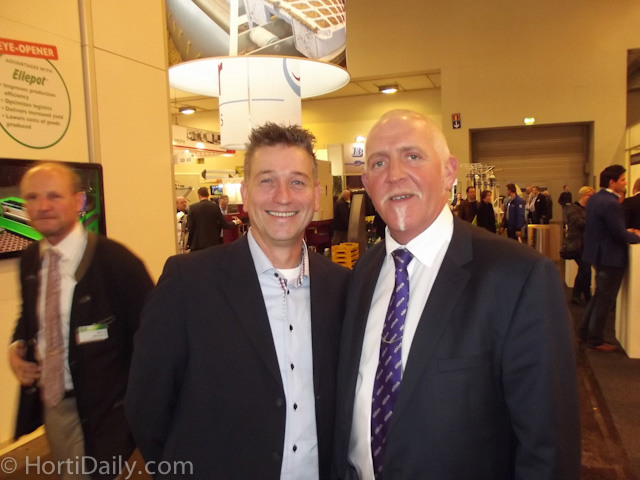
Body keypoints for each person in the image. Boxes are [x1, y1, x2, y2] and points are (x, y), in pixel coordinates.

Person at [333, 110, 580, 480]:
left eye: (412, 156)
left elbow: (549, 447)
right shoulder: (362, 274)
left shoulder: (518, 276)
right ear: (367, 184)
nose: (394, 174)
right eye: (379, 163)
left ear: (449, 172)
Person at [126, 123, 350, 480]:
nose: (282, 197)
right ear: (245, 194)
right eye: (266, 180)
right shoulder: (188, 283)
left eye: (297, 182)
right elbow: (146, 405)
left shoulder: (342, 287)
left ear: (316, 194)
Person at [8, 162, 154, 480]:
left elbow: (153, 336)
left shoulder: (116, 262)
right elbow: (29, 316)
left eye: (54, 196)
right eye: (32, 197)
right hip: (55, 402)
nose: (42, 206)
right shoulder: (31, 259)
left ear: (78, 201)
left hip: (106, 408)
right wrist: (16, 345)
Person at [579, 165, 640, 352]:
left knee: (599, 296)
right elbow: (618, 233)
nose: (626, 183)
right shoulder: (611, 203)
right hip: (610, 256)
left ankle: (585, 332)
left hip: (598, 254)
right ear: (612, 182)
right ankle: (595, 339)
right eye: (622, 179)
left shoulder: (595, 198)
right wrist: (636, 237)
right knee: (605, 299)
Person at [565, 186, 594, 306]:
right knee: (585, 269)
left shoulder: (588, 209)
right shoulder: (573, 209)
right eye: (589, 195)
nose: (591, 198)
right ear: (582, 196)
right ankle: (582, 296)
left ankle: (582, 296)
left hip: (585, 244)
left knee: (584, 270)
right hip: (577, 244)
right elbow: (580, 224)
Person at [186, 186, 241, 251]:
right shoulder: (215, 206)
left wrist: (189, 243)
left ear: (198, 195)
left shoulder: (192, 207)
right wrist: (235, 222)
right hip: (212, 242)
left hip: (197, 243)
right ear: (208, 194)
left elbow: (190, 228)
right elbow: (224, 224)